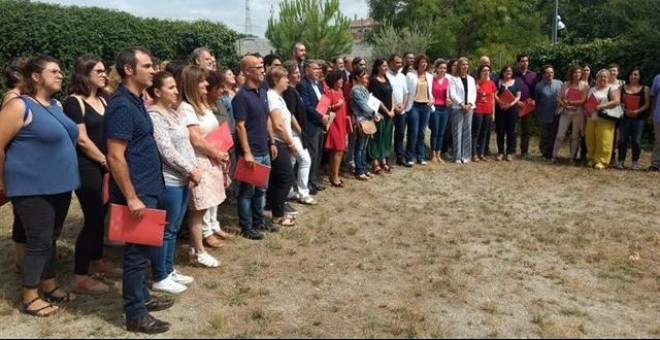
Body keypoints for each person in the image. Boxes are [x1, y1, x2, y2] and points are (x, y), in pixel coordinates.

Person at [0, 55, 80, 317]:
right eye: (53, 71)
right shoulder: (19, 106)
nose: (60, 75)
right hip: (32, 187)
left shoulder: (54, 104)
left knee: (51, 237)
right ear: (35, 77)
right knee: (39, 240)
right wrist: (2, 180)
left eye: (61, 71)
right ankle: (30, 296)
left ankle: (49, 282)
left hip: (60, 185)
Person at [103, 47, 171, 333]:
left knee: (143, 250)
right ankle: (135, 314)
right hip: (138, 192)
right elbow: (115, 156)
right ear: (129, 70)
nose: (153, 70)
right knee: (135, 254)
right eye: (147, 65)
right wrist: (131, 197)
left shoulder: (135, 101)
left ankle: (142, 297)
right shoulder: (120, 106)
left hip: (148, 187)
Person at [64, 54, 121, 295]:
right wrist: (105, 161)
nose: (104, 75)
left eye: (103, 71)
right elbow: (82, 140)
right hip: (87, 167)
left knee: (103, 214)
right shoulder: (73, 102)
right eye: (98, 71)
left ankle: (97, 260)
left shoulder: (105, 100)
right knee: (93, 218)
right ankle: (79, 275)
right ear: (84, 74)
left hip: (106, 165)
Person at [147, 71, 199, 293]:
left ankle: (169, 269)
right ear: (157, 91)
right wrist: (189, 169)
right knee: (166, 229)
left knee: (175, 227)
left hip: (183, 178)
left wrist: (193, 169)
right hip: (169, 180)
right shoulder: (155, 116)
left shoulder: (172, 113)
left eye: (176, 87)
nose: (176, 91)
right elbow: (166, 150)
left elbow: (184, 145)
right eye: (171, 88)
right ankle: (160, 275)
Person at [176, 65, 228, 265]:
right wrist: (217, 153)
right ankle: (199, 251)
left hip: (211, 160)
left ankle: (195, 247)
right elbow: (196, 139)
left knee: (204, 207)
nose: (206, 84)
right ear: (191, 84)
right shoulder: (186, 108)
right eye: (202, 81)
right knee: (198, 210)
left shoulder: (202, 105)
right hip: (200, 162)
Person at [232, 55, 277, 240]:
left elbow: (266, 118)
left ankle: (259, 221)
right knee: (247, 192)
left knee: (261, 190)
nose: (262, 70)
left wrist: (272, 141)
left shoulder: (262, 92)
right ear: (247, 71)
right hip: (251, 153)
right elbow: (240, 126)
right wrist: (247, 153)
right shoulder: (241, 97)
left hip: (264, 149)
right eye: (258, 67)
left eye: (262, 67)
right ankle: (246, 226)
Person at [2, 57, 28, 275]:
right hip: (17, 167)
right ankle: (21, 259)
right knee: (21, 216)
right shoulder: (13, 100)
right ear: (18, 76)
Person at [265, 65, 297, 227]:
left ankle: (276, 208)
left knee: (278, 178)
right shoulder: (271, 97)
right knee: (286, 177)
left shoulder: (278, 97)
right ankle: (278, 213)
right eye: (285, 78)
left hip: (282, 141)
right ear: (276, 80)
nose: (287, 81)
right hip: (279, 142)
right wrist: (290, 142)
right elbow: (277, 124)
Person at [296, 60, 331, 193]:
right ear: (306, 70)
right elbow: (307, 106)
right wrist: (321, 117)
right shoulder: (303, 85)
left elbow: (323, 101)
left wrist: (326, 115)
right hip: (311, 124)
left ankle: (314, 180)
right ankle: (307, 183)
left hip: (321, 123)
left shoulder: (320, 84)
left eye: (319, 69)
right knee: (311, 154)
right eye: (315, 68)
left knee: (318, 154)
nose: (318, 71)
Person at [585, 69, 621, 170]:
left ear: (608, 78)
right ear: (596, 78)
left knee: (604, 141)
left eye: (605, 76)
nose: (602, 78)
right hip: (591, 118)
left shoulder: (613, 88)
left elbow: (617, 101)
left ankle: (602, 161)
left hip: (606, 119)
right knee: (590, 140)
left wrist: (602, 106)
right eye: (600, 76)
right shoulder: (592, 89)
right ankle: (591, 159)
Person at [552, 64, 588, 163]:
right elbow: (559, 97)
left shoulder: (584, 85)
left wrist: (570, 102)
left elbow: (583, 100)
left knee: (575, 136)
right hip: (566, 111)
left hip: (578, 112)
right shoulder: (566, 84)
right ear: (571, 74)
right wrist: (563, 103)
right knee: (560, 135)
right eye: (575, 72)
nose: (577, 74)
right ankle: (554, 156)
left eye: (579, 72)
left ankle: (571, 158)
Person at [617, 67, 650, 170]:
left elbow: (647, 104)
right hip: (624, 117)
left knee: (636, 140)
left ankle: (635, 162)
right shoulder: (622, 87)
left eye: (636, 74)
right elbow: (618, 101)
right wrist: (625, 110)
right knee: (623, 140)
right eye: (631, 74)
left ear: (640, 76)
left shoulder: (645, 88)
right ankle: (621, 161)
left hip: (639, 118)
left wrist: (637, 111)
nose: (633, 76)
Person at [404, 54, 434, 166]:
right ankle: (409, 157)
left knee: (422, 133)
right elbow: (406, 91)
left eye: (426, 62)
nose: (424, 64)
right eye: (422, 62)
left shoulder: (430, 76)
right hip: (414, 106)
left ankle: (421, 156)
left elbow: (431, 91)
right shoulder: (410, 75)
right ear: (417, 63)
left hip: (426, 106)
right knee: (413, 132)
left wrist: (432, 100)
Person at [351, 68, 379, 180]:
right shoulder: (356, 90)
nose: (366, 76)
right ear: (357, 77)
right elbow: (364, 106)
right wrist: (373, 113)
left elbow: (370, 103)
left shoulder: (364, 89)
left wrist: (374, 113)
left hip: (367, 119)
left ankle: (364, 167)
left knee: (364, 146)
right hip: (361, 119)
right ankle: (359, 169)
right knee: (360, 146)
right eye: (363, 75)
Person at [367, 59, 395, 173]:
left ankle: (383, 160)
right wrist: (387, 111)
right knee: (377, 138)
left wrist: (392, 109)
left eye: (387, 65)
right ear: (378, 67)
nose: (386, 67)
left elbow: (391, 94)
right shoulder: (374, 81)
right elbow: (376, 100)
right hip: (380, 114)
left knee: (386, 138)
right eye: (384, 65)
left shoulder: (387, 79)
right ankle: (375, 162)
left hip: (390, 113)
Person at [448, 57, 476, 164]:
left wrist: (469, 104)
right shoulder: (453, 79)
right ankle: (457, 156)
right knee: (457, 132)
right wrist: (461, 104)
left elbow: (473, 93)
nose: (465, 66)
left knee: (467, 131)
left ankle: (466, 156)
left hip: (469, 108)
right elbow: (453, 93)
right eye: (463, 64)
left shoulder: (471, 79)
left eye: (467, 64)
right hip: (458, 108)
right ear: (459, 66)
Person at [324, 70, 348, 187]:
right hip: (334, 123)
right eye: (340, 79)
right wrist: (335, 106)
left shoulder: (340, 91)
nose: (342, 81)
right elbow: (324, 107)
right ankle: (335, 176)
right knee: (337, 150)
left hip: (342, 122)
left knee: (340, 150)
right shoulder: (329, 92)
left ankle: (334, 174)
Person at [534, 65, 562, 160]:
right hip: (544, 114)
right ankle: (544, 152)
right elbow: (536, 101)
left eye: (551, 72)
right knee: (544, 134)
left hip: (557, 113)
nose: (550, 74)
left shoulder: (559, 83)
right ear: (543, 74)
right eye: (547, 72)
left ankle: (552, 152)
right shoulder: (539, 86)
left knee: (554, 134)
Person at [494, 65, 522, 161]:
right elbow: (494, 94)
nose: (508, 72)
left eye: (510, 71)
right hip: (500, 109)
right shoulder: (498, 82)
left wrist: (510, 104)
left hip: (512, 110)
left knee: (511, 131)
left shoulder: (517, 82)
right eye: (506, 71)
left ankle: (510, 152)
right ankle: (501, 152)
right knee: (500, 130)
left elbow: (518, 96)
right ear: (503, 72)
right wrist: (500, 102)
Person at [386, 54, 409, 166]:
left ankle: (399, 156)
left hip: (401, 109)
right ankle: (385, 157)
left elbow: (406, 93)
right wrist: (394, 106)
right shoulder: (385, 75)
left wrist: (404, 105)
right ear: (390, 63)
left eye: (400, 63)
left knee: (400, 134)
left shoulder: (402, 76)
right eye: (397, 62)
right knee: (387, 134)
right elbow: (387, 94)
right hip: (390, 109)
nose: (399, 65)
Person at [514, 54, 537, 159]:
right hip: (515, 104)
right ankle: (511, 150)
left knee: (526, 129)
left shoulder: (533, 75)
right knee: (513, 129)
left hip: (528, 105)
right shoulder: (513, 75)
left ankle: (524, 152)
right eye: (522, 61)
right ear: (518, 62)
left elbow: (536, 91)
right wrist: (516, 101)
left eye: (526, 61)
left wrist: (534, 100)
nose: (525, 63)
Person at [472, 64, 496, 161]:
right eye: (484, 71)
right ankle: (474, 154)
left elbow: (493, 99)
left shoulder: (491, 84)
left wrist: (493, 113)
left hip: (488, 111)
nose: (486, 72)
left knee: (484, 132)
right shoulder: (475, 84)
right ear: (480, 72)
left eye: (488, 71)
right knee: (476, 132)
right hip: (478, 110)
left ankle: (481, 153)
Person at [429, 58, 450, 162]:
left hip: (445, 108)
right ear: (436, 69)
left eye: (445, 68)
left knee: (442, 132)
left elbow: (450, 94)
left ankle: (438, 154)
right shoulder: (431, 80)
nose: (443, 70)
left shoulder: (448, 81)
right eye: (441, 68)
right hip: (435, 108)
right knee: (435, 131)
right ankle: (432, 154)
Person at [650, 73, 660, 172]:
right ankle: (655, 164)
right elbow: (653, 98)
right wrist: (651, 114)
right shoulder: (658, 78)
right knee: (658, 140)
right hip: (658, 115)